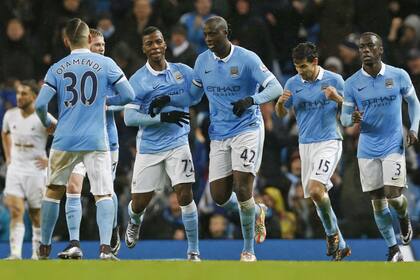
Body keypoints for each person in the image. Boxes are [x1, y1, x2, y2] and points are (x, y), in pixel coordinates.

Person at [148, 16, 283, 261]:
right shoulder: (202, 61)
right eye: (206, 34)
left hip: (247, 128)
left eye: (213, 34)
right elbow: (194, 96)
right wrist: (169, 99)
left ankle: (248, 250)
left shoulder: (247, 59)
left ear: (225, 32)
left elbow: (276, 88)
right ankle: (258, 210)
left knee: (243, 188)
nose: (208, 39)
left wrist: (252, 100)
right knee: (220, 196)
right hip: (219, 133)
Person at [35, 18, 134, 260]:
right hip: (96, 138)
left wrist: (49, 123)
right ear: (89, 39)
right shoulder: (105, 63)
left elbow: (39, 105)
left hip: (64, 138)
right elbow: (129, 94)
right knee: (102, 193)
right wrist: (106, 103)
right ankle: (104, 249)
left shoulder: (57, 68)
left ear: (66, 40)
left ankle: (44, 247)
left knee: (53, 191)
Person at [341, 32, 420, 262]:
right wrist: (352, 118)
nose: (365, 50)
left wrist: (414, 129)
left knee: (393, 195)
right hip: (367, 147)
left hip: (393, 144)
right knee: (377, 201)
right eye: (362, 47)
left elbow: (414, 103)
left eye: (370, 46)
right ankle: (393, 247)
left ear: (380, 49)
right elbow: (344, 119)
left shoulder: (398, 75)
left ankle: (404, 217)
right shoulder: (352, 83)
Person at [123, 26, 200, 261]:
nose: (155, 47)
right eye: (150, 44)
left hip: (178, 142)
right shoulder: (137, 80)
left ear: (165, 44)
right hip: (150, 147)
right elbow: (128, 118)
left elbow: (197, 96)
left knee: (185, 194)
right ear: (144, 48)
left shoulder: (183, 72)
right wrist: (160, 117)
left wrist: (175, 99)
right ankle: (134, 221)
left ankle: (193, 250)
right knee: (139, 203)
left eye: (158, 42)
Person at [275, 42, 350, 261]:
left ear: (315, 62)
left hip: (329, 141)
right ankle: (341, 245)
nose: (301, 71)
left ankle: (331, 235)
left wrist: (337, 98)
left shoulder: (334, 80)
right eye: (297, 67)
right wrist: (280, 104)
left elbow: (352, 110)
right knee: (317, 197)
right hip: (305, 145)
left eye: (304, 66)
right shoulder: (292, 83)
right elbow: (281, 114)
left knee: (317, 190)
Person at [57, 29, 122, 260]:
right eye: (97, 45)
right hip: (77, 140)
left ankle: (111, 231)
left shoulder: (109, 69)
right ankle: (74, 244)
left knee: (104, 192)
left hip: (106, 141)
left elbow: (126, 99)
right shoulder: (74, 70)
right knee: (72, 187)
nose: (102, 48)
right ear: (86, 45)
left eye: (103, 44)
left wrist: (107, 104)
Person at [1, 80, 53, 259]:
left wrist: (50, 160)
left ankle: (36, 254)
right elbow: (5, 132)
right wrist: (8, 157)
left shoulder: (44, 117)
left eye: (24, 93)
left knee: (36, 214)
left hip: (36, 171)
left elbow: (63, 136)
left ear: (35, 96)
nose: (19, 97)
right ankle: (15, 254)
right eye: (18, 93)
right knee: (15, 210)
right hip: (15, 169)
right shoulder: (10, 115)